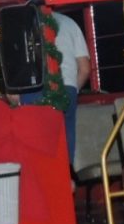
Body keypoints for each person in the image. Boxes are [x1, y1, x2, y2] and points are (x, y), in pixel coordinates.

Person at [19, 11, 91, 167]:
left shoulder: (21, 23)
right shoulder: (69, 22)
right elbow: (85, 69)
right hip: (67, 87)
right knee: (66, 139)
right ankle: (67, 179)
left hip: (32, 90)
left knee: (35, 154)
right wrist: (72, 88)